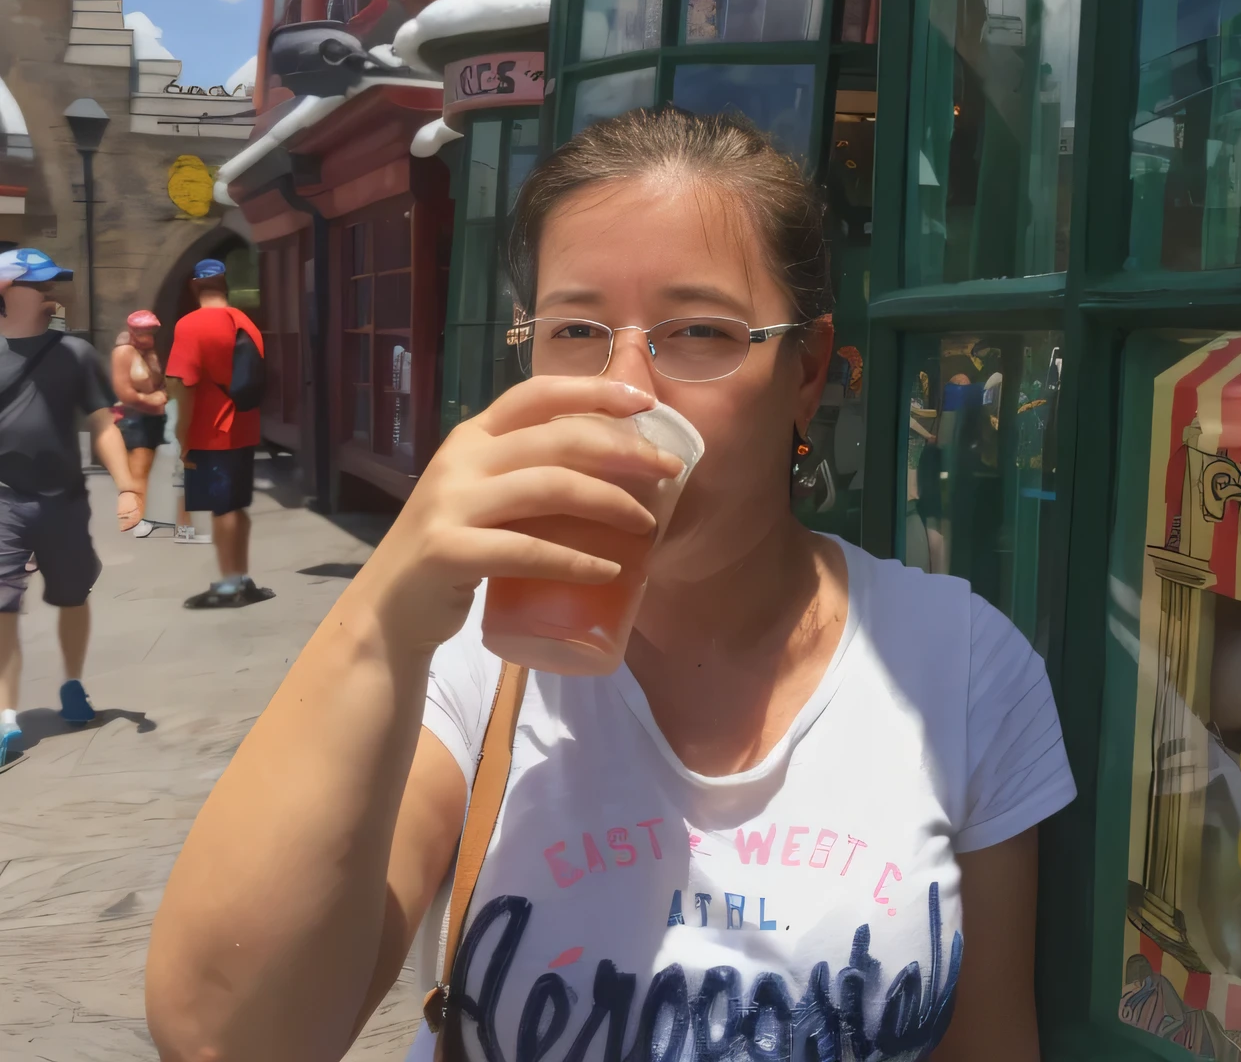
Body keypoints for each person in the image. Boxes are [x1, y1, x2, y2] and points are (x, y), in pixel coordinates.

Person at [146, 110, 1077, 1061]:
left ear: (805, 372)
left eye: (702, 331)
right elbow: (225, 1037)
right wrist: (384, 614)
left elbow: (993, 1040)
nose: (628, 388)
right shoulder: (468, 659)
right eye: (577, 328)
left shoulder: (958, 669)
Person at [0, 248, 144, 766]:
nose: (52, 293)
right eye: (41, 284)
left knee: (72, 596)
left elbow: (102, 424)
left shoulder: (76, 353)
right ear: (6, 290)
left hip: (64, 500)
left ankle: (73, 685)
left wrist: (128, 486)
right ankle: (5, 718)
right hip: (4, 501)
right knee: (1, 607)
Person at [164, 259, 272, 609]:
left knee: (221, 509)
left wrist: (182, 437)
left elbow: (184, 384)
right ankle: (241, 578)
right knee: (237, 507)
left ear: (195, 285)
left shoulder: (190, 325)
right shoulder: (247, 323)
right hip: (244, 425)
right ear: (225, 284)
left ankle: (228, 588)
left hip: (210, 431)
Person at [110, 310, 168, 538]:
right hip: (134, 418)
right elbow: (124, 391)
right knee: (137, 472)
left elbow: (158, 383)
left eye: (151, 332)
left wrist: (160, 396)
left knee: (146, 470)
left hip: (151, 417)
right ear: (133, 332)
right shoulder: (124, 352)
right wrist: (152, 400)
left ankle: (140, 514)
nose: (148, 336)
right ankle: (135, 518)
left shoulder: (147, 353)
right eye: (144, 332)